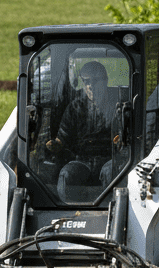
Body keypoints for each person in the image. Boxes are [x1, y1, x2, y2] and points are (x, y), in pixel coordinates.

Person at [45, 61, 125, 199]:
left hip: (109, 159)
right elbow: (62, 139)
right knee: (67, 175)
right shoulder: (75, 108)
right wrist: (53, 145)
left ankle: (111, 211)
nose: (91, 86)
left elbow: (127, 139)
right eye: (86, 81)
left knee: (110, 172)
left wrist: (121, 143)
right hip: (82, 161)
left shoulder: (118, 107)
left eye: (95, 81)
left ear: (105, 80)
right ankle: (70, 213)